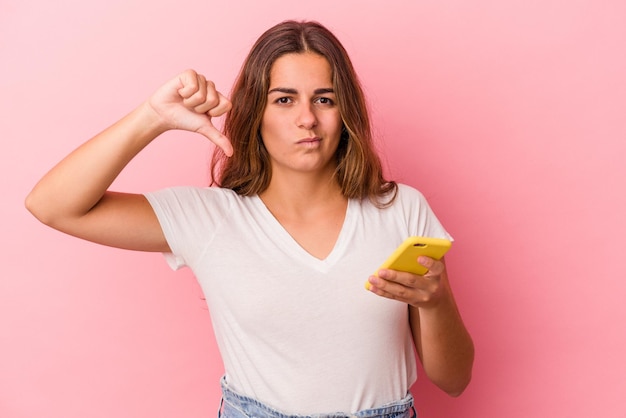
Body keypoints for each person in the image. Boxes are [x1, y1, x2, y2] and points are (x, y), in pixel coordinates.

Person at [26, 20, 474, 418]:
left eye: (324, 98)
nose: (307, 119)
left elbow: (454, 381)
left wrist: (435, 304)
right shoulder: (209, 217)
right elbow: (52, 205)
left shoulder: (400, 209)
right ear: (255, 111)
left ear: (346, 112)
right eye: (284, 99)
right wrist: (153, 117)